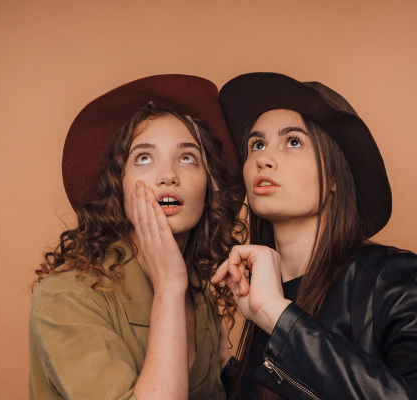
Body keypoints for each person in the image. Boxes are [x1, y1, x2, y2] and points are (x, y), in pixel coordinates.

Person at [28, 74, 247, 399]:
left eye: (188, 158)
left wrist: (230, 366)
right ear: (119, 186)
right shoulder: (66, 297)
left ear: (209, 187)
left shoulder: (200, 296)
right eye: (144, 158)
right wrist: (169, 289)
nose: (168, 176)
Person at [212, 72, 417, 399]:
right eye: (257, 144)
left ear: (335, 175)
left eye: (293, 141)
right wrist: (227, 370)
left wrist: (276, 316)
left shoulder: (394, 278)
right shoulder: (261, 291)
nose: (263, 158)